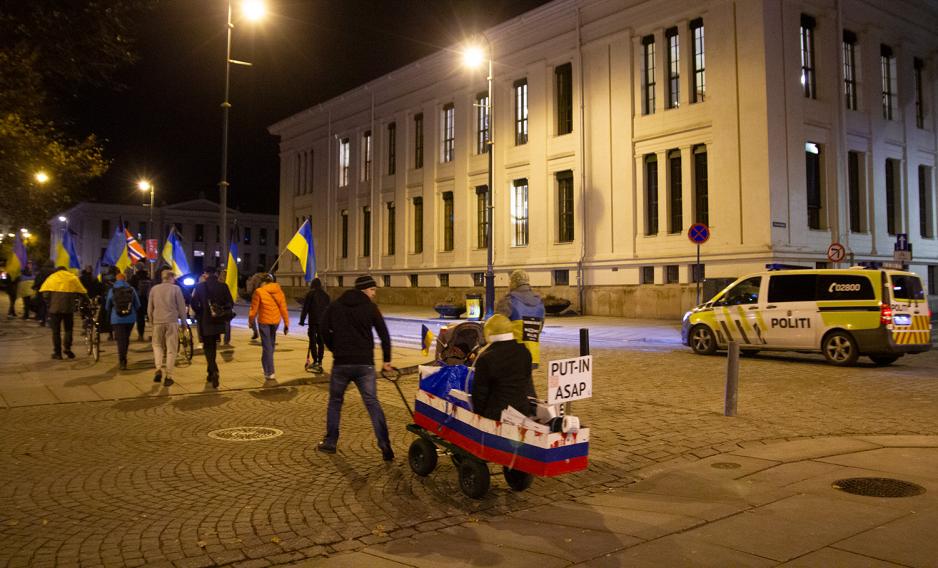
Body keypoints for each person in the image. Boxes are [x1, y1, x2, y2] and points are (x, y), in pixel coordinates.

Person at [317, 275, 394, 461]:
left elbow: (322, 328)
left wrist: (334, 347)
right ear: (364, 290)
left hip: (342, 362)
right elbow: (384, 334)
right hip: (364, 363)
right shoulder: (370, 307)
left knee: (335, 402)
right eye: (373, 290)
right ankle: (384, 444)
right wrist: (386, 360)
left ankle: (330, 442)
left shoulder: (336, 305)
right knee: (372, 403)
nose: (374, 294)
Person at [471, 314, 536, 420]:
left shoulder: (486, 358)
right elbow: (526, 382)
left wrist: (480, 416)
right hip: (522, 410)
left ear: (488, 332)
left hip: (497, 414)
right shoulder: (524, 351)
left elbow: (479, 394)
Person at [190, 266, 233, 388]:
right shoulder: (223, 286)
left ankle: (213, 371)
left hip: (205, 320)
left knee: (208, 347)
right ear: (216, 273)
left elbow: (193, 303)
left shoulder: (199, 287)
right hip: (218, 320)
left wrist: (200, 312)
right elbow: (230, 302)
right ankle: (210, 372)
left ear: (205, 274)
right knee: (213, 345)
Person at [495, 269, 546, 368]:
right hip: (532, 355)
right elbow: (540, 329)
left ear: (513, 283)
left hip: (511, 355)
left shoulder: (509, 300)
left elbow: (496, 326)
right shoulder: (539, 302)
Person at [147, 269, 187, 387]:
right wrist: (184, 322)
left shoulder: (154, 289)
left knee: (157, 345)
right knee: (171, 349)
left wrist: (151, 321)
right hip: (171, 321)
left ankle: (158, 368)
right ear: (171, 278)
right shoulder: (176, 289)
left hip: (158, 321)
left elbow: (150, 307)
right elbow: (181, 307)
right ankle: (169, 376)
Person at [38, 266, 87, 359]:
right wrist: (87, 301)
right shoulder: (72, 277)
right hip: (69, 308)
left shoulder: (52, 277)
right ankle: (67, 348)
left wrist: (49, 304)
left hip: (55, 309)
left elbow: (45, 294)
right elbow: (82, 292)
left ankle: (58, 353)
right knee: (68, 329)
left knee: (56, 331)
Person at [248, 273, 289, 381]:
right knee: (269, 345)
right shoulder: (279, 291)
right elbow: (283, 308)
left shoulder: (259, 292)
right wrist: (286, 323)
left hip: (264, 322)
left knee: (267, 346)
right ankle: (265, 366)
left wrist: (251, 321)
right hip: (275, 321)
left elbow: (253, 310)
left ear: (263, 282)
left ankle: (270, 372)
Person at [104, 273, 140, 370]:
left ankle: (122, 360)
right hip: (130, 318)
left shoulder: (112, 290)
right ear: (125, 279)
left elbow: (107, 306)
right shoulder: (131, 289)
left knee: (120, 340)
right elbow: (138, 305)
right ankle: (124, 356)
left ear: (116, 280)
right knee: (126, 338)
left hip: (116, 319)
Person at [299, 277, 330, 373]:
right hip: (323, 322)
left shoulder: (310, 294)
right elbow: (329, 309)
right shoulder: (326, 295)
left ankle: (315, 360)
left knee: (312, 341)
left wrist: (302, 320)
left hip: (313, 321)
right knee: (321, 342)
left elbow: (306, 308)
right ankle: (320, 361)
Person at [129, 264, 152, 341]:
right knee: (150, 318)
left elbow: (131, 289)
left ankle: (140, 335)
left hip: (138, 300)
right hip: (147, 300)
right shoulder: (148, 278)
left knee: (139, 318)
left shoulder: (134, 278)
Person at [245, 266, 267, 341]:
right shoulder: (268, 277)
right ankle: (266, 334)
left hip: (257, 298)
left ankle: (255, 331)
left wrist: (248, 282)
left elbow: (250, 290)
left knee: (252, 315)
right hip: (267, 298)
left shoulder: (254, 277)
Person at [32, 260, 55, 326]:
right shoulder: (54, 272)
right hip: (51, 290)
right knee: (50, 306)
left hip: (42, 290)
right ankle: (50, 320)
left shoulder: (41, 271)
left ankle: (42, 320)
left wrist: (35, 286)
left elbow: (38, 280)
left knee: (42, 306)